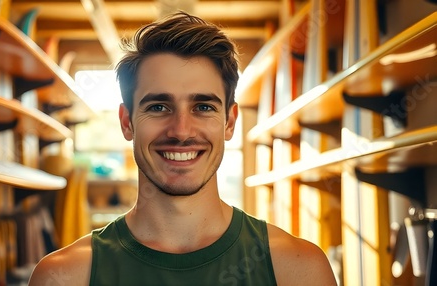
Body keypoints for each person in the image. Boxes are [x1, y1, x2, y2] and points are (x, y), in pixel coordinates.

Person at [28, 11, 337, 286]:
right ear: (127, 122)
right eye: (159, 106)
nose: (181, 131)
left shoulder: (299, 270)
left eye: (203, 106)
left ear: (230, 122)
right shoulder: (63, 276)